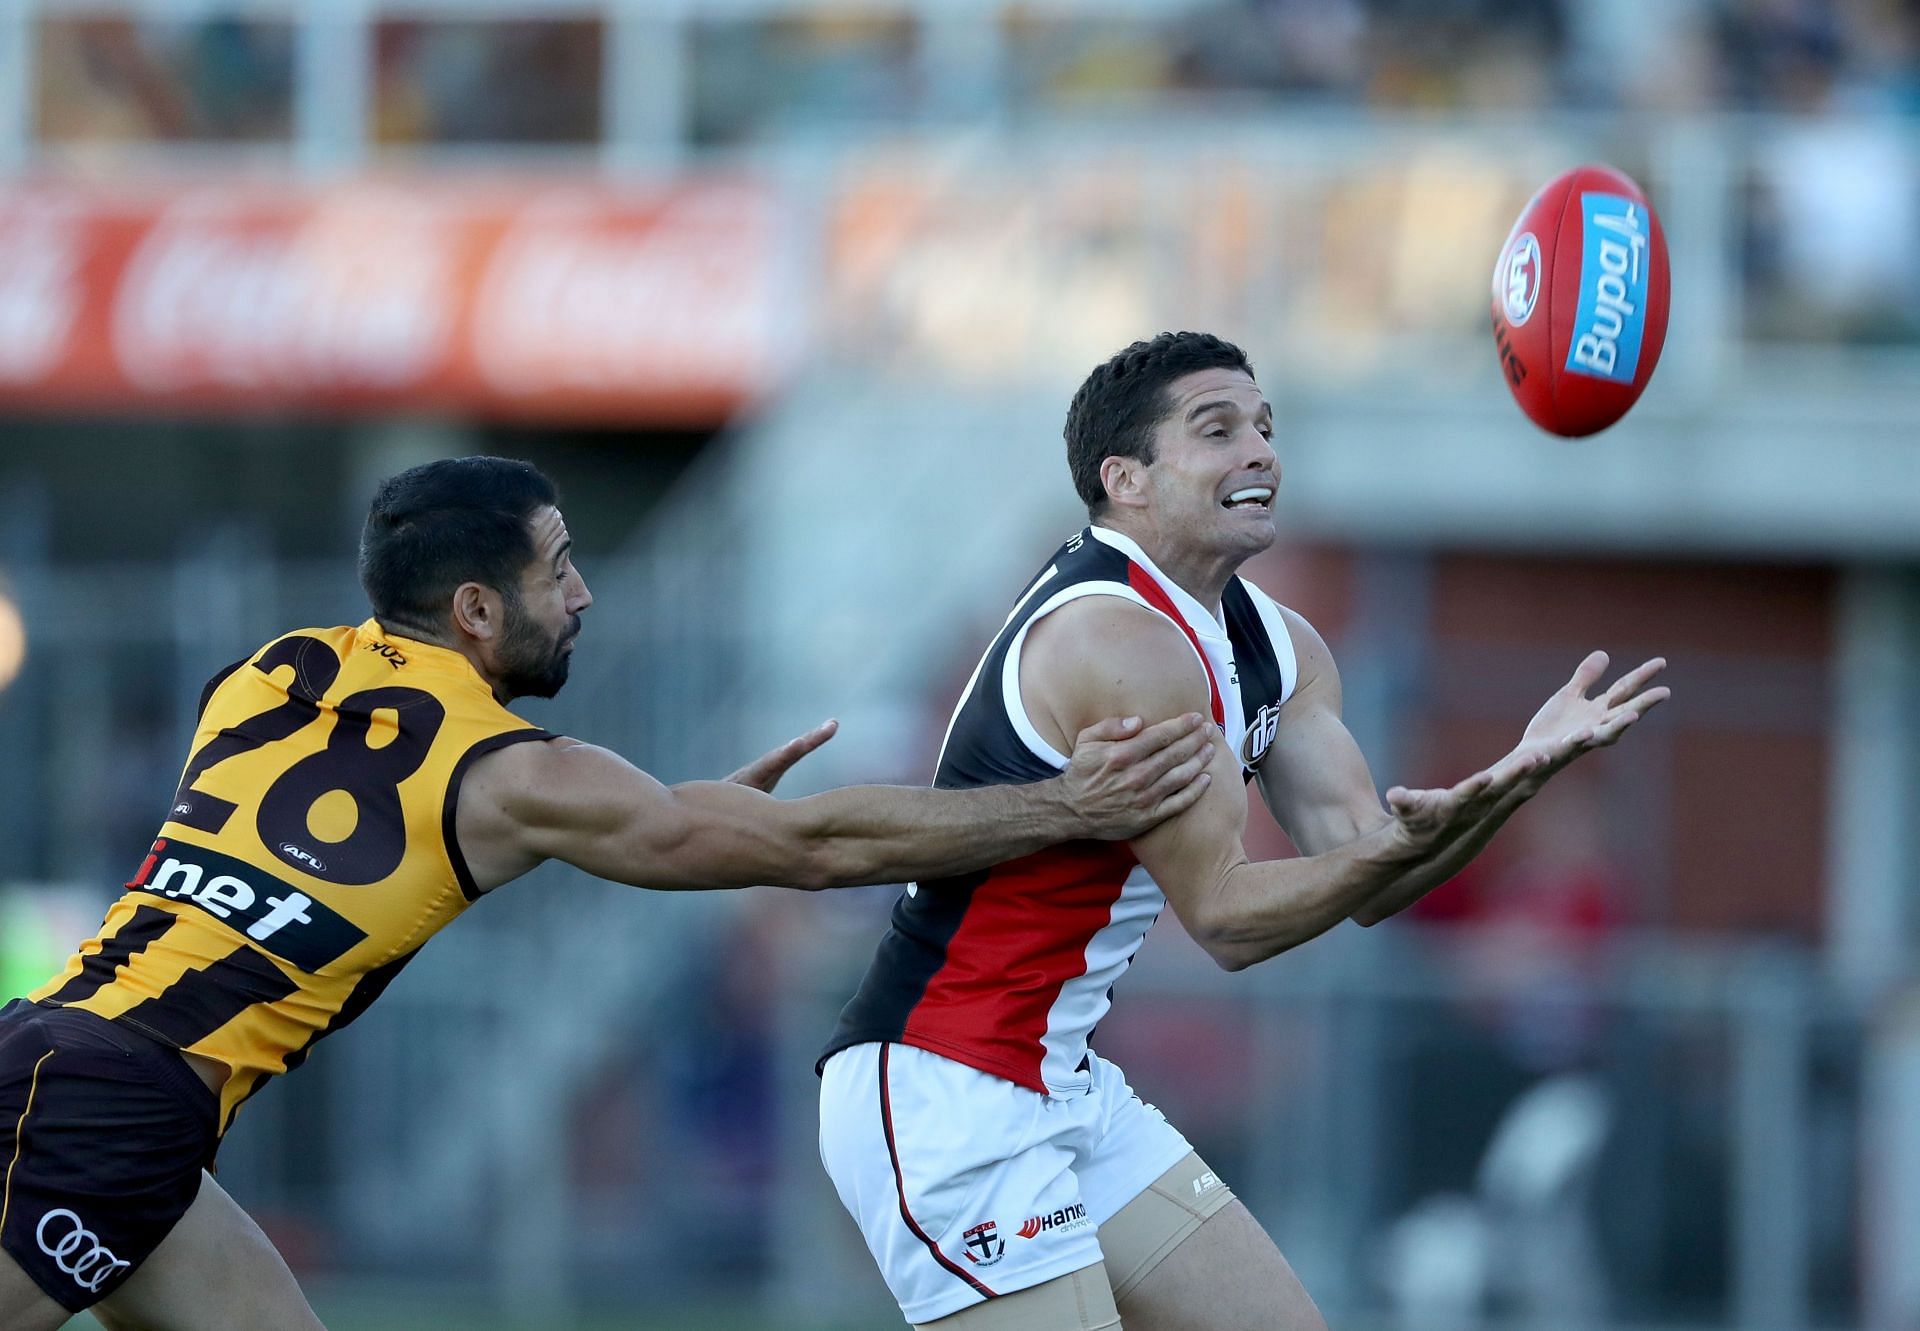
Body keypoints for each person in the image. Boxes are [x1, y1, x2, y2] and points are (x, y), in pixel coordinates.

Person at [0, 456, 1218, 1331]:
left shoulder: (267, 671)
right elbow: (815, 849)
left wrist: (671, 817)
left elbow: (335, 815)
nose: (581, 594)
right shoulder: (516, 772)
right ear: (476, 608)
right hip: (124, 1101)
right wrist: (1070, 809)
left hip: (54, 1045)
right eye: (558, 568)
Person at [817, 331, 1671, 1331]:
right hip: (944, 1087)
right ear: (1124, 479)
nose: (1260, 451)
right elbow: (1226, 918)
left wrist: (1511, 780)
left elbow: (1369, 871)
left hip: (1062, 1081)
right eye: (1216, 429)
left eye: (1265, 427)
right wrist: (1425, 831)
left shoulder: (1279, 643)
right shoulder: (1115, 637)